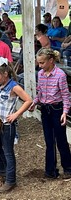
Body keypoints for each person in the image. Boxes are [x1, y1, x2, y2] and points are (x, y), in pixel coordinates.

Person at [0, 57, 32, 193]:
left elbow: (28, 100)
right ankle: (2, 172)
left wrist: (16, 114)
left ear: (5, 74)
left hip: (7, 124)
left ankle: (11, 180)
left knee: (8, 152)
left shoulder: (14, 86)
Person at [28, 48, 71, 179]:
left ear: (51, 60)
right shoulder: (40, 74)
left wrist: (65, 112)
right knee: (49, 141)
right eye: (38, 63)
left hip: (57, 110)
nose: (40, 66)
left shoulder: (60, 75)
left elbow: (66, 96)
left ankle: (68, 168)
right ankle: (50, 171)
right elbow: (40, 93)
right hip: (45, 110)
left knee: (61, 140)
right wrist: (34, 102)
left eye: (42, 63)